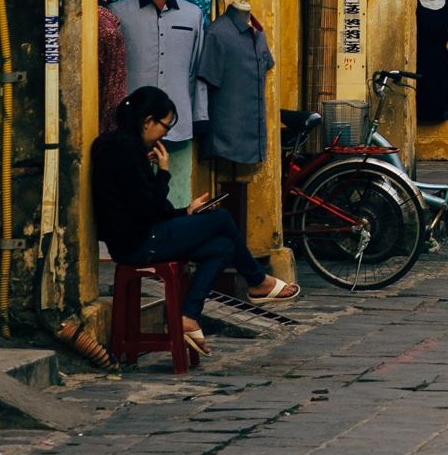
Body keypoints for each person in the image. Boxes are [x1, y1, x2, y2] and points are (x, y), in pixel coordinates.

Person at [84, 84, 297, 358]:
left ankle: (188, 315)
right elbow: (147, 208)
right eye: (165, 125)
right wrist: (162, 172)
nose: (166, 133)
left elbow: (148, 206)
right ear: (147, 121)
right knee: (220, 217)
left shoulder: (124, 147)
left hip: (143, 236)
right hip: (138, 243)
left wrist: (186, 212)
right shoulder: (125, 152)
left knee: (223, 246)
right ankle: (257, 281)